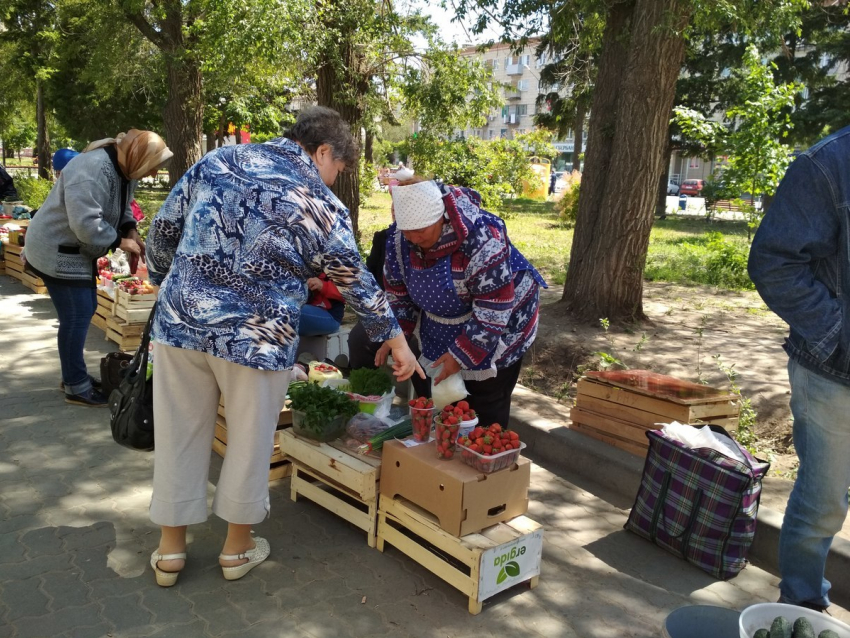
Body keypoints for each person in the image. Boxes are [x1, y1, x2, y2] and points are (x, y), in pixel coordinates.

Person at [145, 106, 423, 587]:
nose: (335, 179)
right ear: (321, 151)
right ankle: (236, 551)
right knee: (251, 444)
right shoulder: (315, 198)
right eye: (337, 167)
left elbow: (163, 230)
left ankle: (170, 552)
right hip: (258, 338)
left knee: (178, 435)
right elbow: (354, 280)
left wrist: (164, 284)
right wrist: (396, 339)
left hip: (181, 323)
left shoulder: (218, 161)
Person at [748, 125, 850, 613]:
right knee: (825, 500)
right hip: (834, 373)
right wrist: (839, 334)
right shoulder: (827, 165)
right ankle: (802, 601)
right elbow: (774, 262)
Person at [377, 176, 547, 428]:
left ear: (441, 216)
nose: (413, 238)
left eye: (421, 230)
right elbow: (398, 295)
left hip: (503, 322)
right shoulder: (398, 241)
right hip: (444, 320)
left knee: (485, 402)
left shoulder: (483, 239)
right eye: (406, 230)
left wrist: (461, 355)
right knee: (442, 401)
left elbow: (493, 309)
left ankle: (485, 458)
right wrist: (395, 338)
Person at [23, 130, 172, 407]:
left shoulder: (125, 166)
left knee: (82, 310)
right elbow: (86, 226)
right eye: (152, 167)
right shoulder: (91, 171)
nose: (153, 174)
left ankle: (72, 375)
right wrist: (120, 241)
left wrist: (130, 229)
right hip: (56, 249)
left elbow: (123, 205)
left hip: (75, 250)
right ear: (139, 157)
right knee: (77, 315)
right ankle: (75, 387)